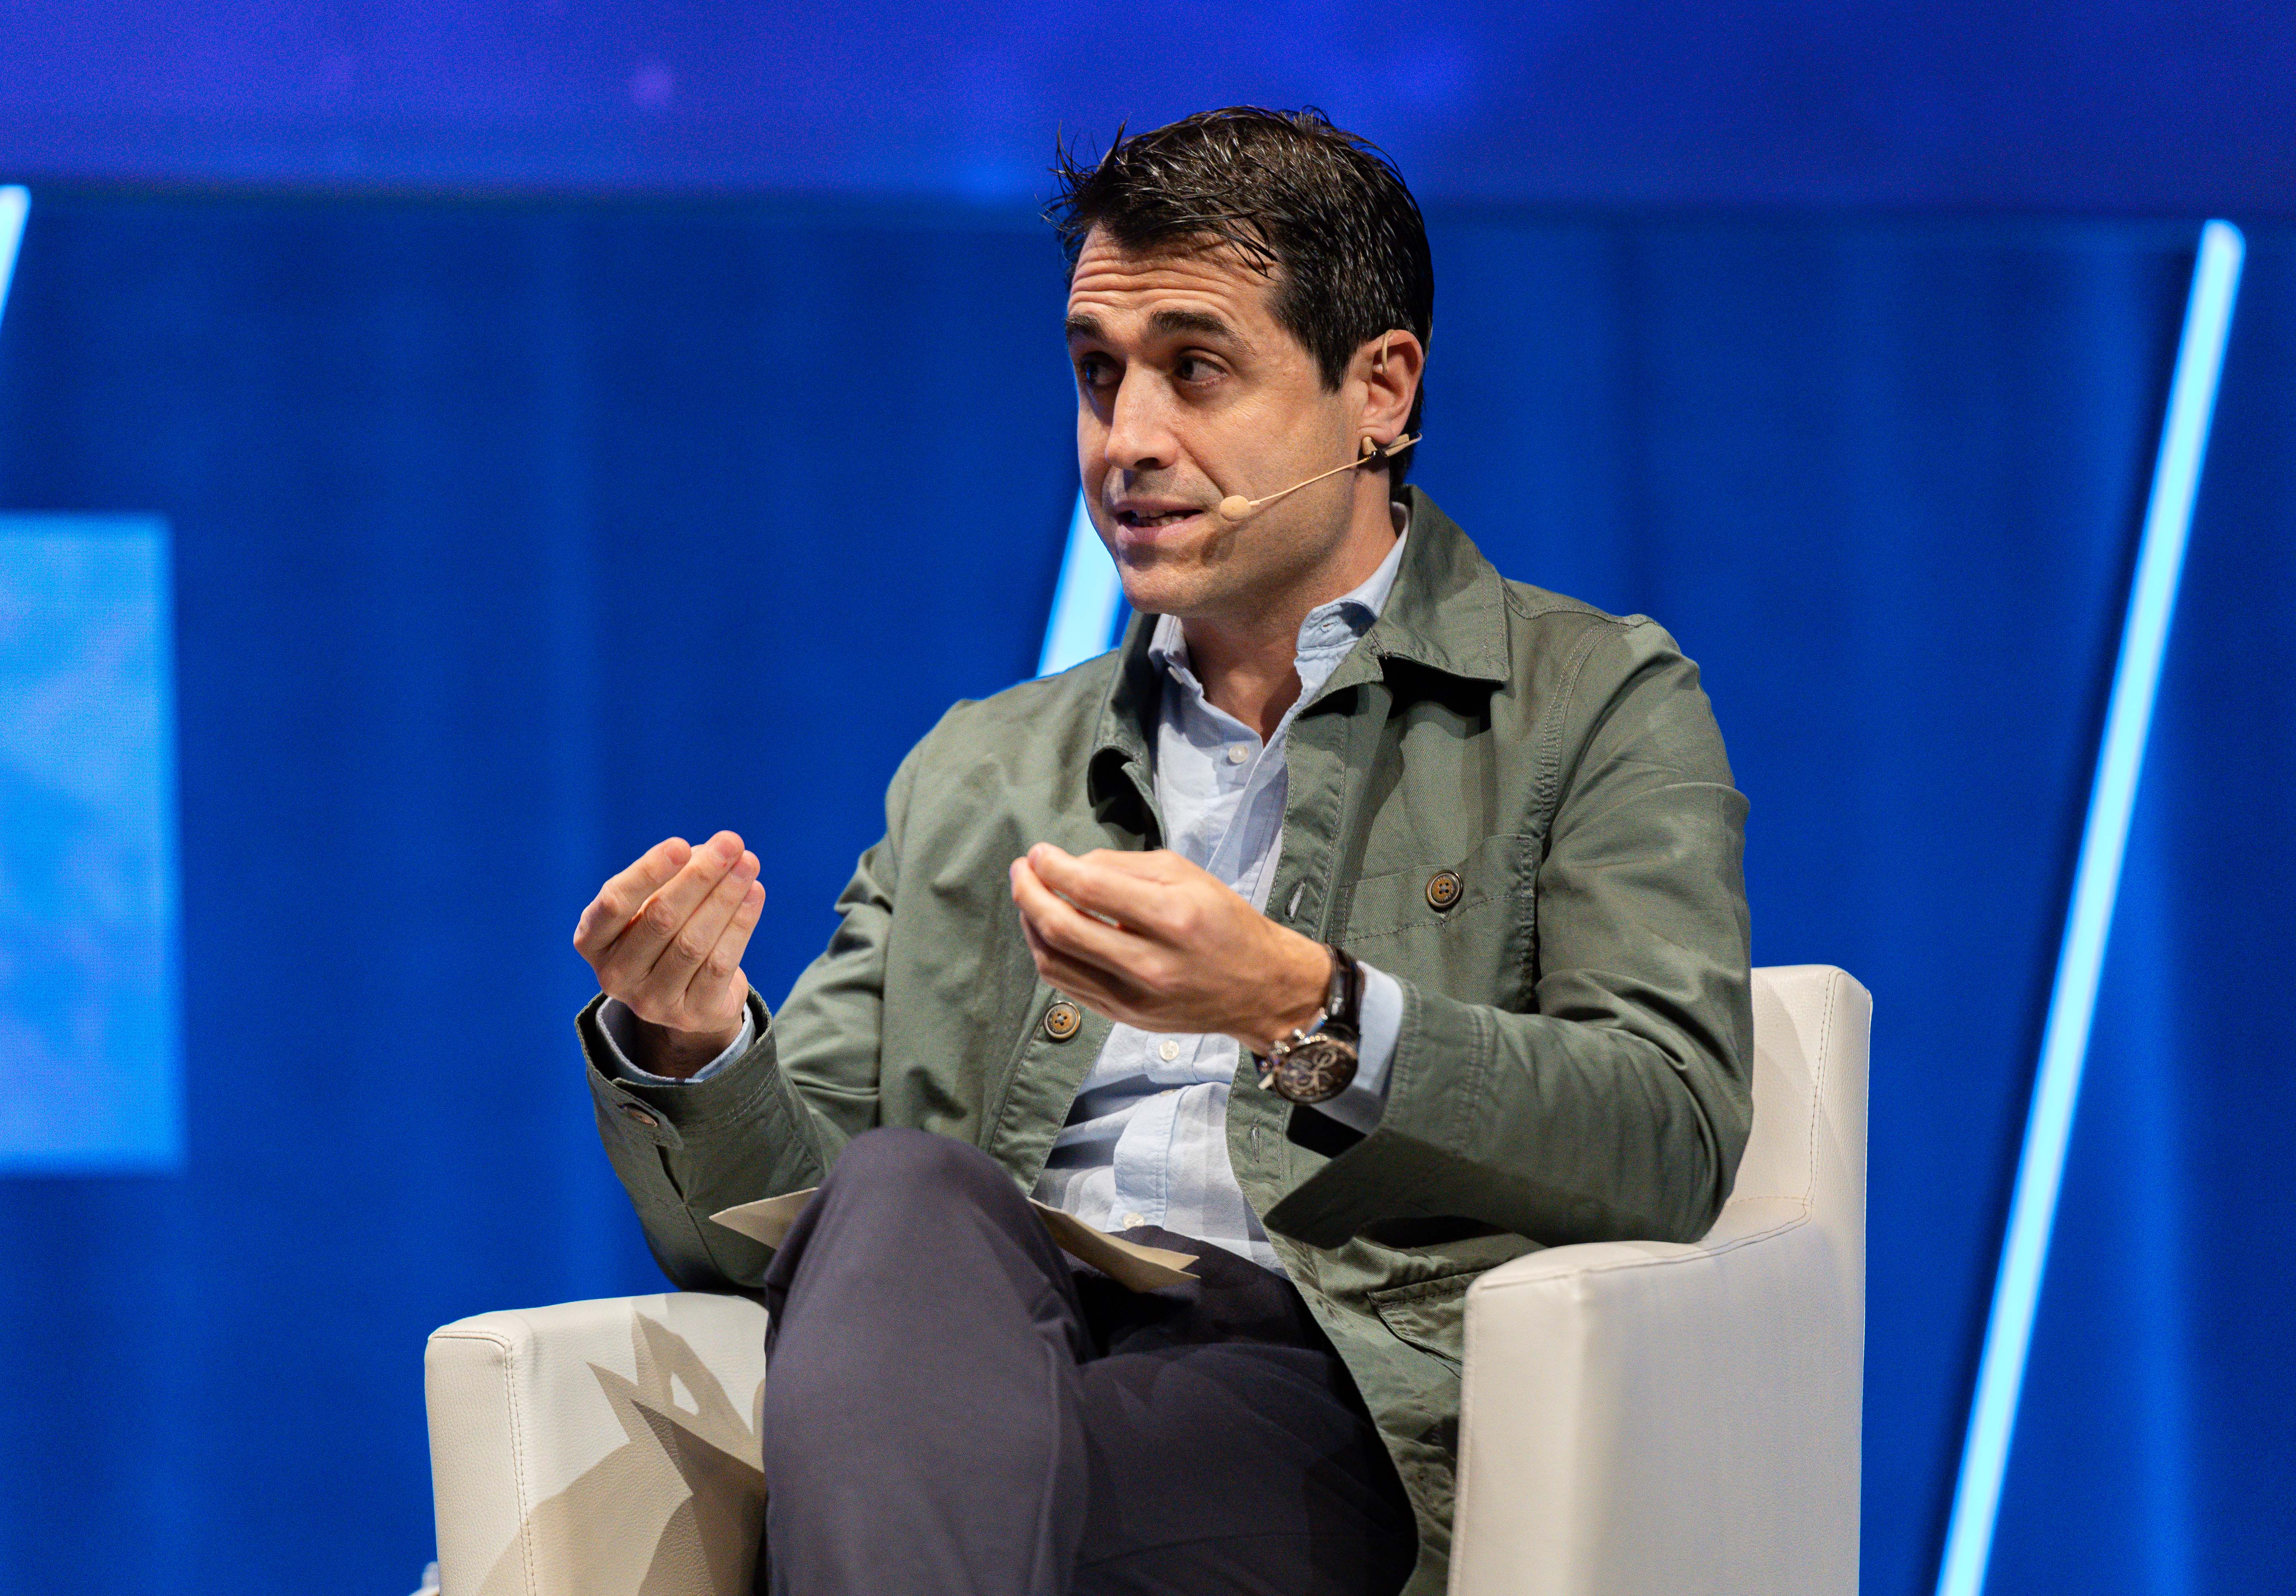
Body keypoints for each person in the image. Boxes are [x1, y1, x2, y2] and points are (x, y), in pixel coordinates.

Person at [571, 107, 1753, 1596]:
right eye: (1097, 374)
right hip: (975, 1363)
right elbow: (780, 1230)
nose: (1126, 439)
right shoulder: (982, 769)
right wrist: (694, 1049)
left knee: (910, 1476)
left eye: (1195, 368)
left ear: (1379, 391)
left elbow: (1670, 1137)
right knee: (903, 1196)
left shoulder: (1589, 702)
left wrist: (1301, 1008)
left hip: (1321, 1394)